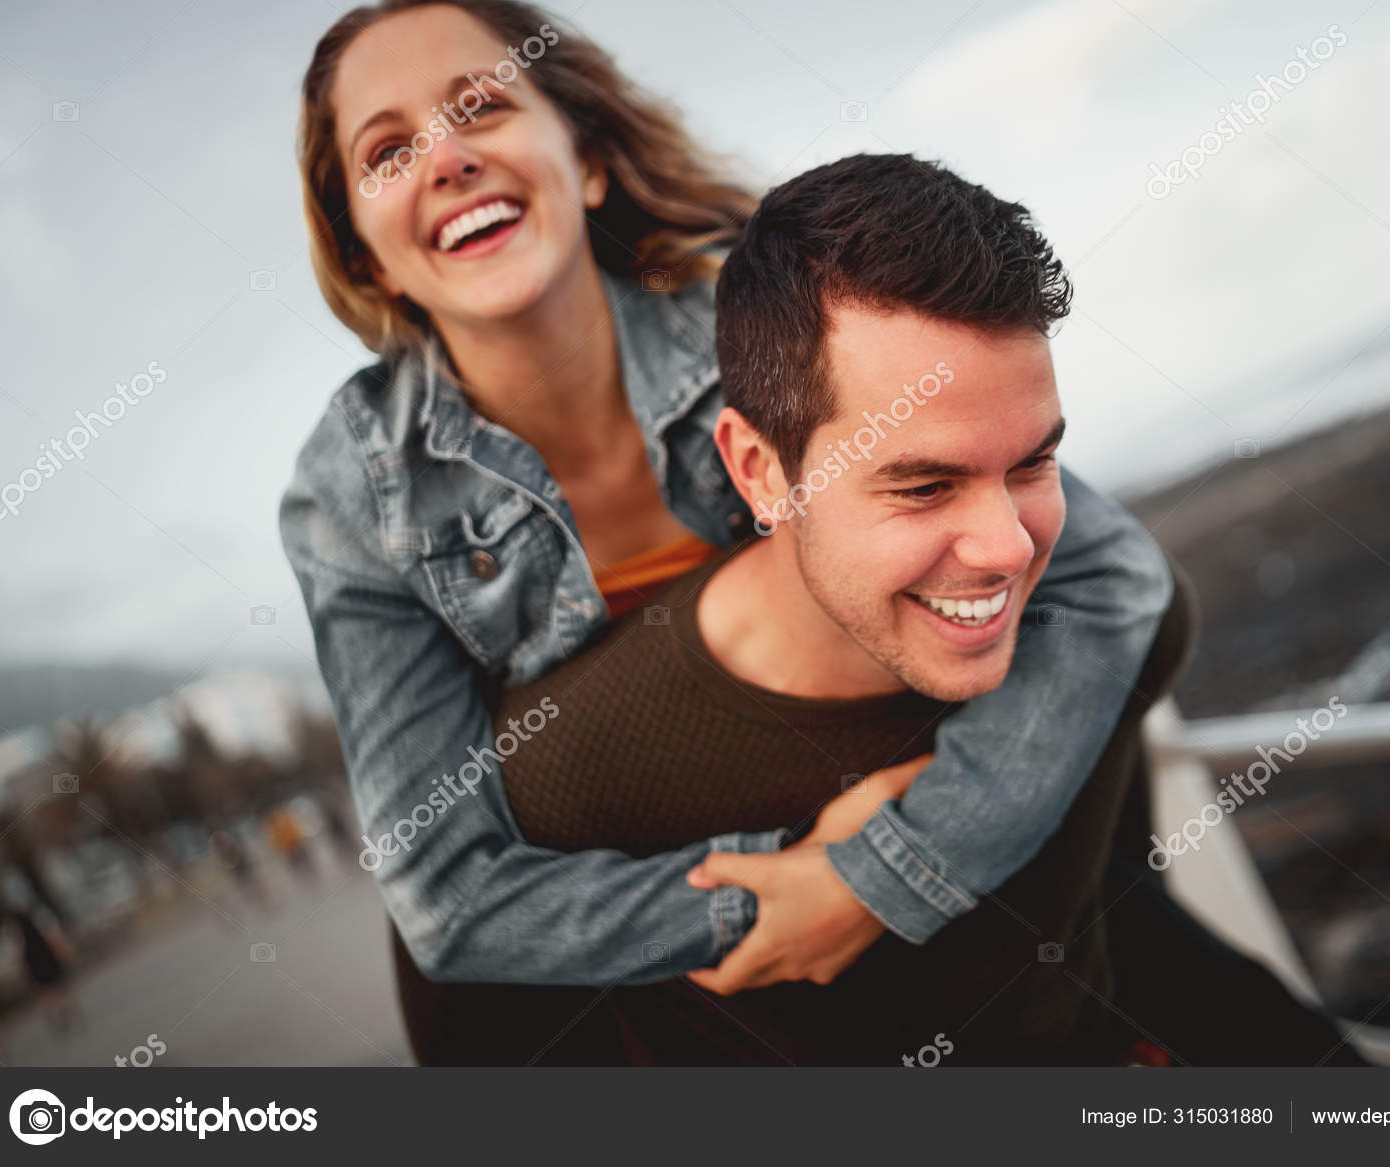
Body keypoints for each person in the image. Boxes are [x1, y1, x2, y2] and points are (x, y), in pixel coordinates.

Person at [280, 0, 1171, 992]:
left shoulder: (756, 329)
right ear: (362, 250)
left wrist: (894, 871)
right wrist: (791, 894)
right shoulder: (351, 495)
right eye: (387, 151)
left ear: (586, 161)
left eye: (481, 107)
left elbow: (1110, 571)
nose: (445, 159)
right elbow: (446, 896)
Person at [388, 153, 1357, 1065]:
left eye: (1031, 462)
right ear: (760, 472)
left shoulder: (1099, 627)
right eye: (923, 487)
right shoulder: (550, 791)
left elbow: (1115, 916)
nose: (1012, 550)